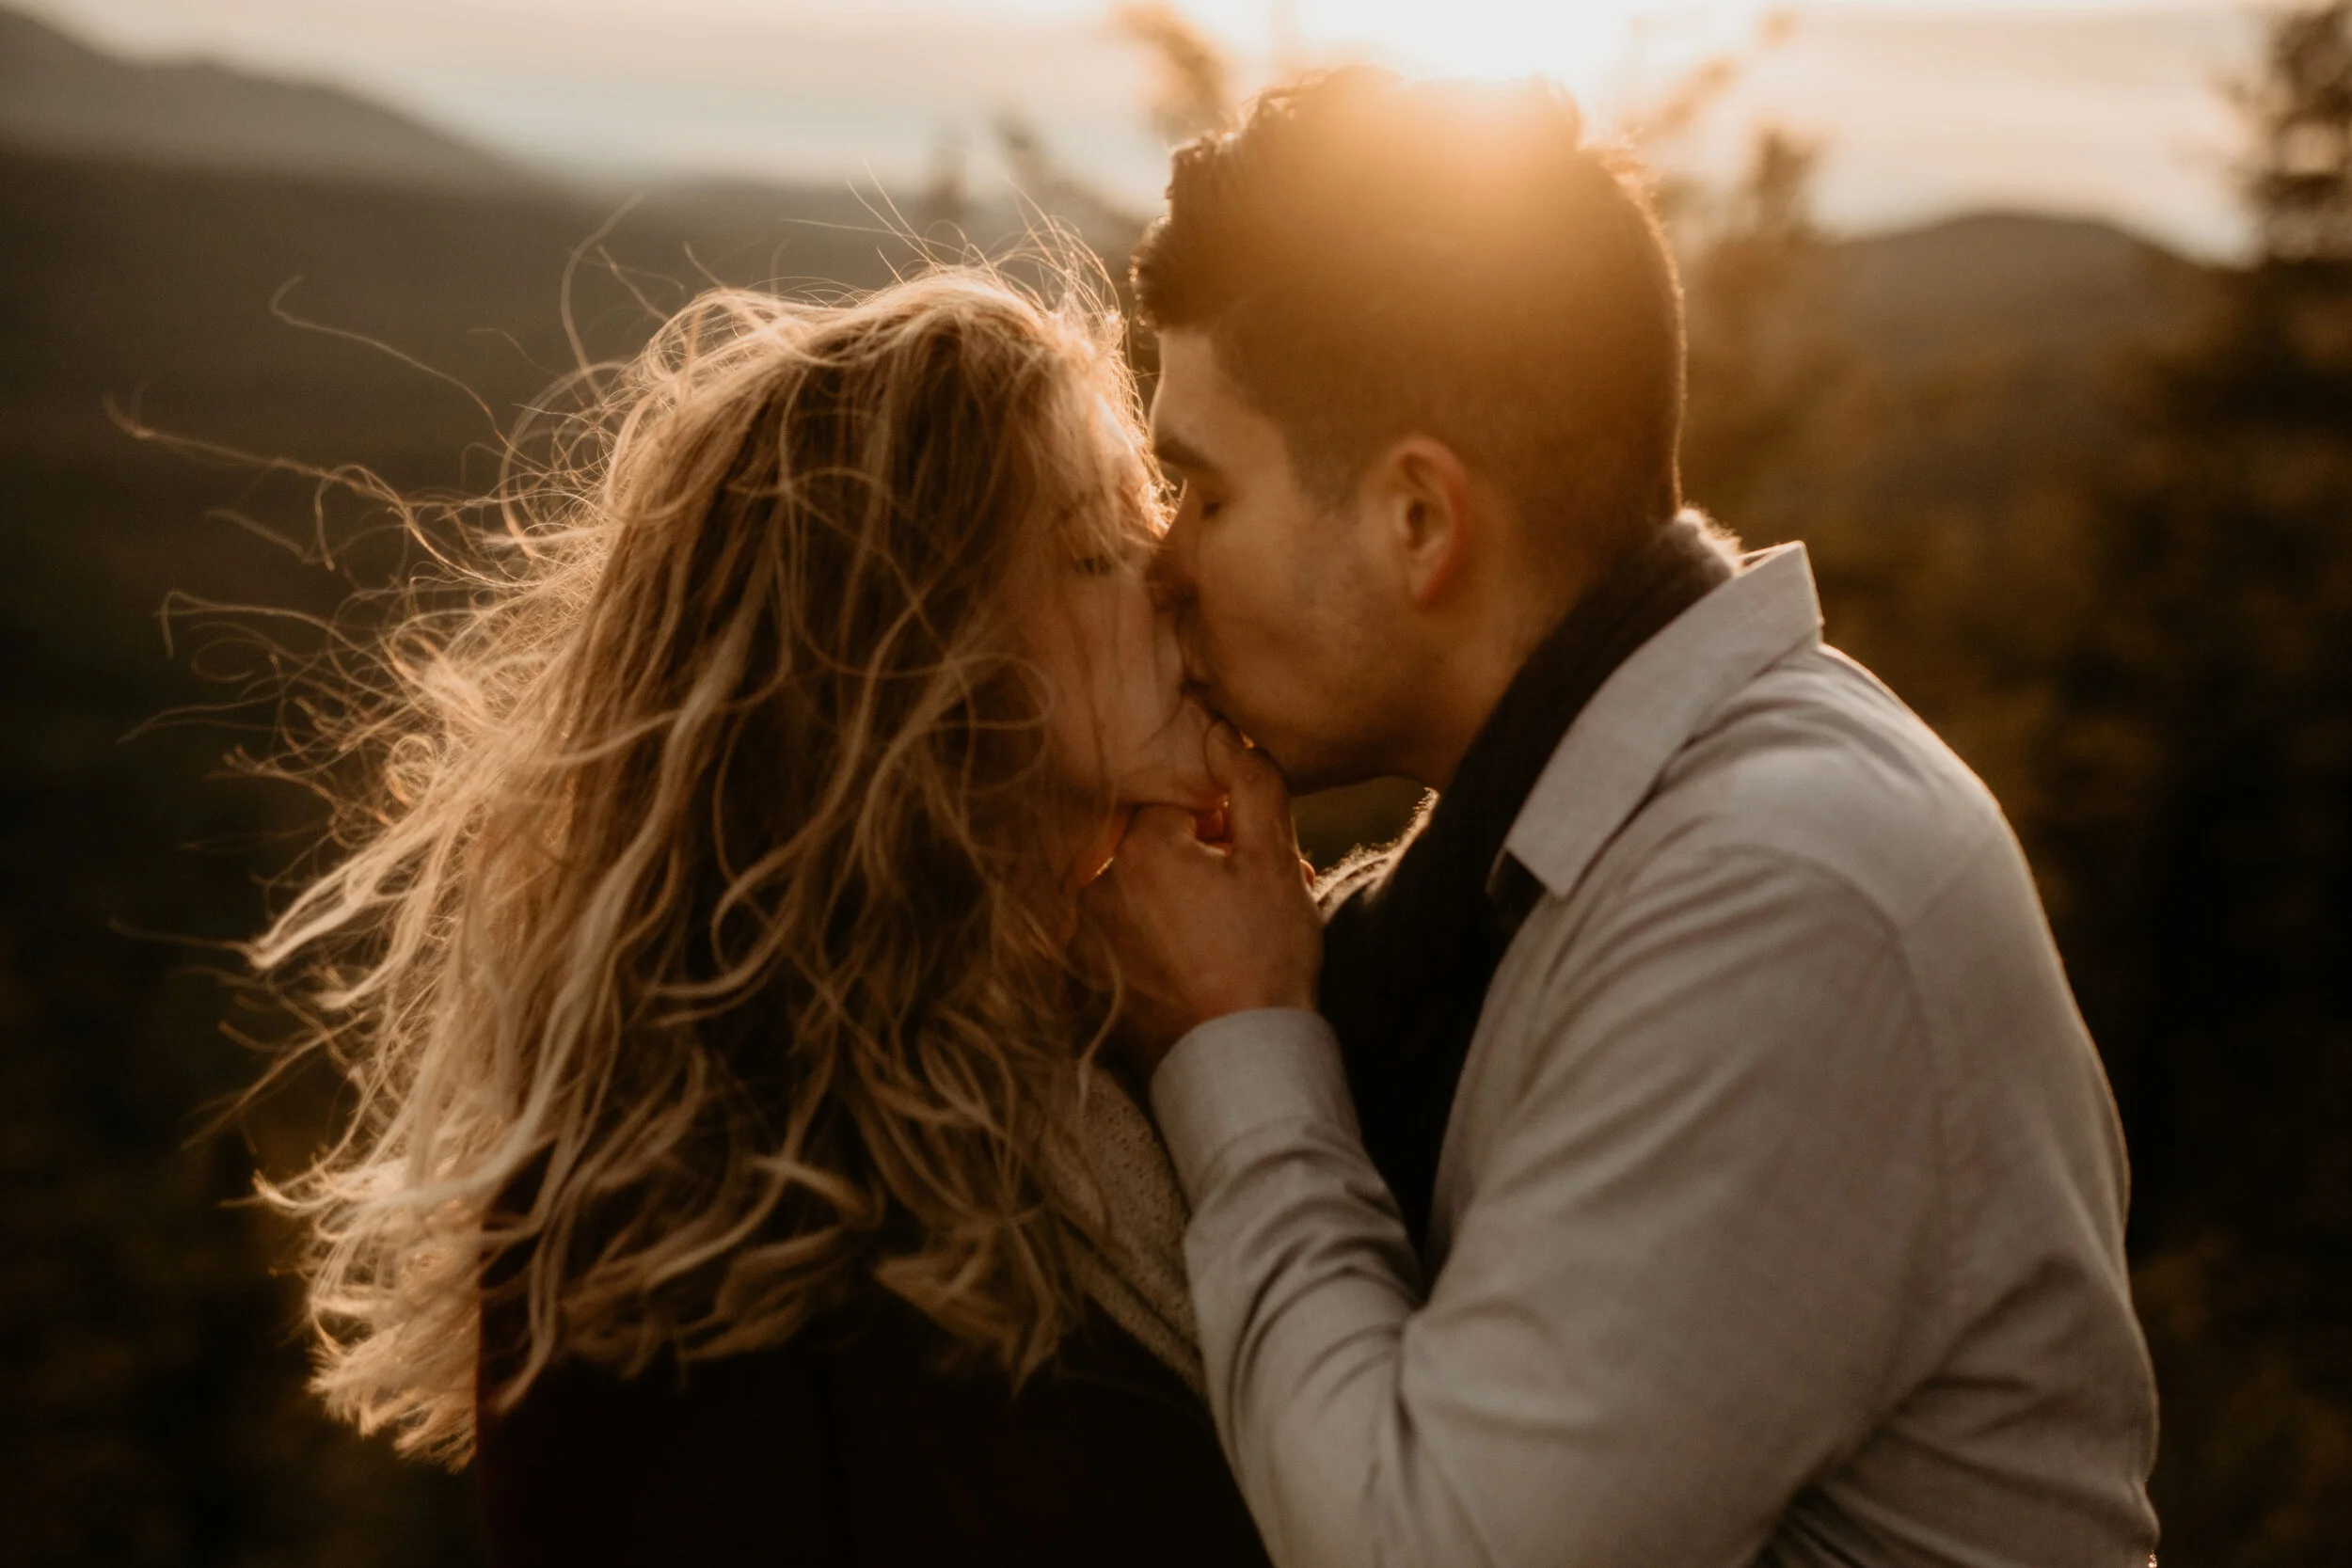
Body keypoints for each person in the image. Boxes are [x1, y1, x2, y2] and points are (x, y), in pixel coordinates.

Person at [1087, 68, 2163, 1565]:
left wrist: (1231, 1042)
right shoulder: (1585, 843)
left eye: (1200, 491)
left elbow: (1434, 1544)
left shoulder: (1785, 900)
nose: (1163, 565)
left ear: (1419, 521)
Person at [247, 268, 1269, 1566]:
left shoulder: (1167, 1025)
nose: (1174, 575)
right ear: (908, 670)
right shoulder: (666, 1216)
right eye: (1087, 551)